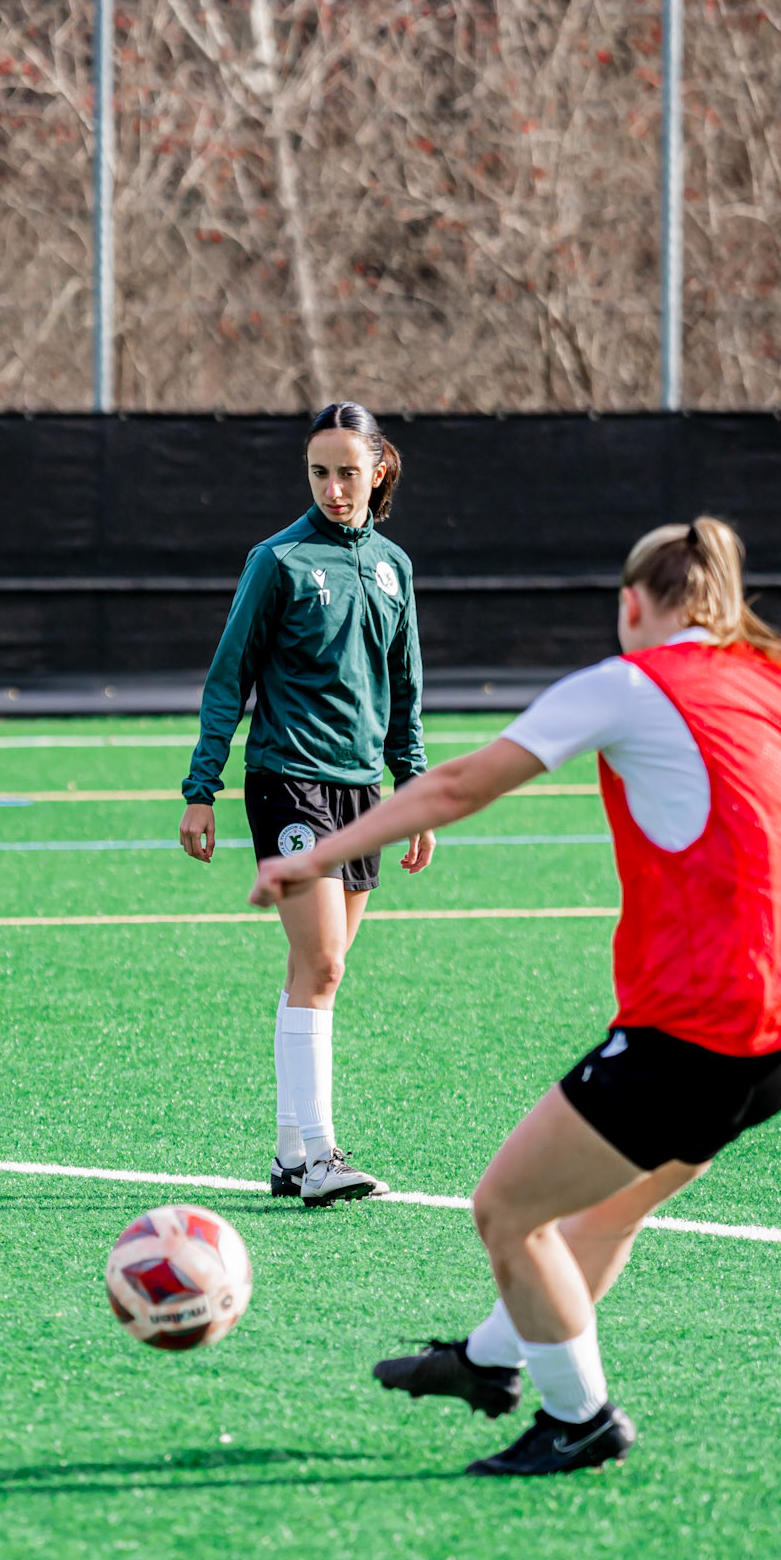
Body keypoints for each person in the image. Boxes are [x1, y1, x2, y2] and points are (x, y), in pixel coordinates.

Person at [250, 517, 781, 1475]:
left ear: (631, 604)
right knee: (600, 1218)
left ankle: (580, 1418)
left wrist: (316, 855)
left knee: (505, 1212)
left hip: (689, 1037)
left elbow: (456, 787)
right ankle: (489, 1360)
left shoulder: (629, 682)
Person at [181, 401, 435, 1206]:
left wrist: (413, 787)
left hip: (362, 790)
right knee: (322, 963)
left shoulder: (393, 566)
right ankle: (324, 1157)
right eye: (319, 472)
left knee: (316, 970)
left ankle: (290, 1151)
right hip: (288, 778)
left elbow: (405, 690)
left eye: (347, 472)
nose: (332, 487)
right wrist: (201, 789)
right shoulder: (278, 560)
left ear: (378, 469)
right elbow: (229, 677)